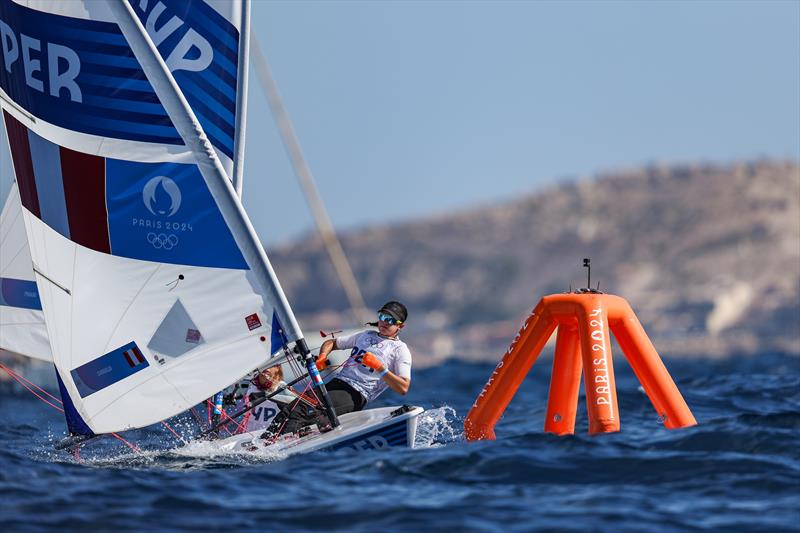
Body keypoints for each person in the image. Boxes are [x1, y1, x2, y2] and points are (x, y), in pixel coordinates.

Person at [269, 301, 412, 436]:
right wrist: (322, 357)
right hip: (337, 383)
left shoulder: (400, 350)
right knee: (291, 408)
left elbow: (403, 387)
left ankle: (280, 447)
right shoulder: (365, 335)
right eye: (382, 317)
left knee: (303, 410)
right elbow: (331, 342)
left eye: (391, 320)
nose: (385, 322)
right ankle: (262, 443)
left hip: (356, 394)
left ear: (401, 326)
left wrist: (379, 367)